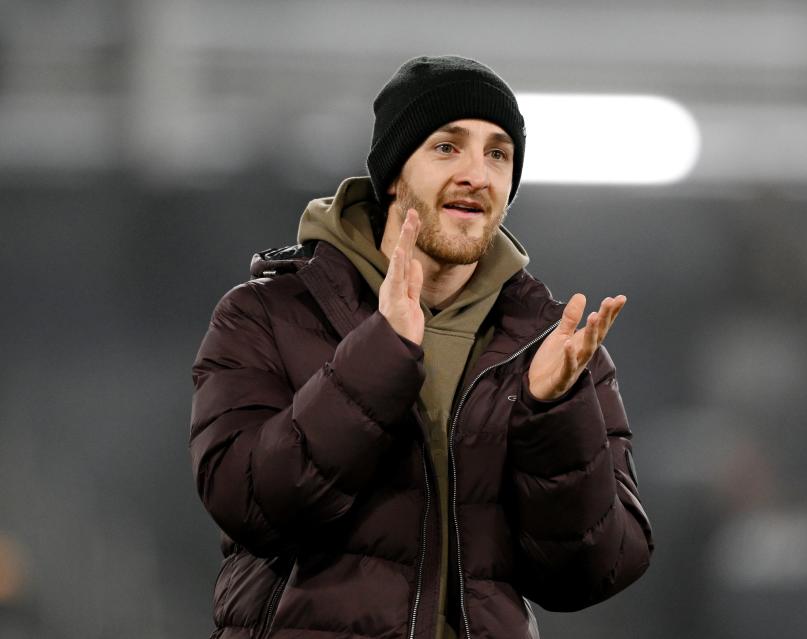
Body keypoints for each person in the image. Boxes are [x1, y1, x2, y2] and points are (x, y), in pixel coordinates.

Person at [190, 55, 653, 639]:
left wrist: (553, 414)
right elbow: (248, 502)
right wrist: (381, 352)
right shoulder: (267, 313)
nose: (476, 174)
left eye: (497, 153)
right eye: (446, 147)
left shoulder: (552, 344)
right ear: (392, 174)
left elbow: (592, 570)